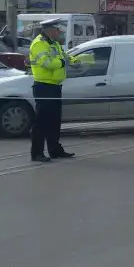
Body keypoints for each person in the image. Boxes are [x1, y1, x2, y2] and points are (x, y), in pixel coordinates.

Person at [28, 18, 87, 162]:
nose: (59, 33)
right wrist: (63, 62)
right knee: (41, 122)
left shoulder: (54, 44)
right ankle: (37, 153)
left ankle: (55, 150)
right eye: (57, 30)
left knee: (54, 121)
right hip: (44, 86)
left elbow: (65, 57)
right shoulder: (39, 44)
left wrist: (76, 62)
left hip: (55, 87)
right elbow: (47, 63)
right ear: (49, 30)